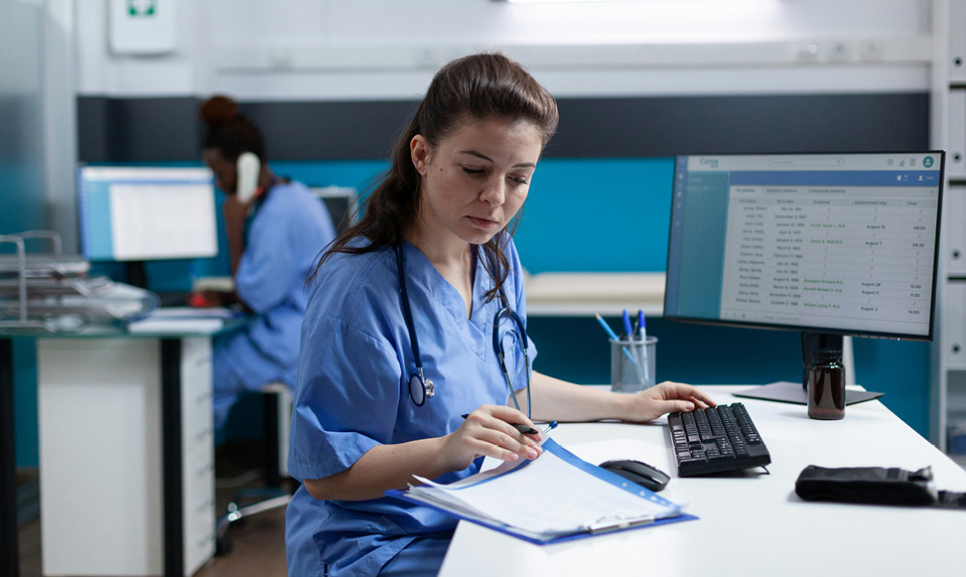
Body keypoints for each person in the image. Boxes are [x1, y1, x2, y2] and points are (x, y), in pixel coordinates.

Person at [285, 53, 715, 576]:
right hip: (378, 541)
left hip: (475, 513)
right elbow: (326, 475)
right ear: (422, 154)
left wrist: (626, 404)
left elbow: (508, 385)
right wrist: (447, 449)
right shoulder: (358, 292)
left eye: (518, 178)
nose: (495, 198)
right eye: (474, 170)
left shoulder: (494, 257)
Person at [198, 95, 336, 429]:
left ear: (246, 165)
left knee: (197, 379)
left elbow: (254, 298)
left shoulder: (277, 216)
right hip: (300, 331)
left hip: (290, 341)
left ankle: (189, 476)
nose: (219, 185)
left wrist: (233, 227)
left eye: (220, 174)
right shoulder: (294, 196)